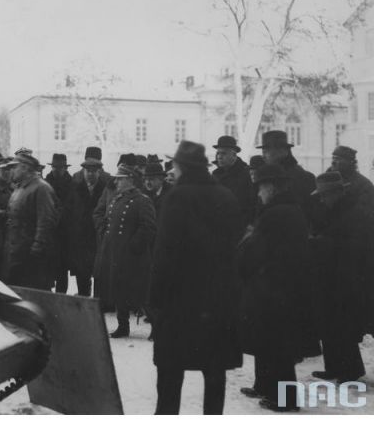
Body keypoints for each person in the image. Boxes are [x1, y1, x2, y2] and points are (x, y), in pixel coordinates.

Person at [150, 140, 243, 415]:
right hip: (218, 301)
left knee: (170, 371)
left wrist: (155, 300)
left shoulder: (176, 198)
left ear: (182, 167)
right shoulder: (226, 196)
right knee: (214, 371)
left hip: (179, 302)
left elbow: (164, 254)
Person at [236, 164, 313, 412]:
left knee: (277, 343)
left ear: (272, 187)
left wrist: (243, 254)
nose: (258, 192)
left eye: (261, 187)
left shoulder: (276, 213)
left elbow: (256, 249)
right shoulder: (285, 209)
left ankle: (285, 398)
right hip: (279, 285)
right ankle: (264, 386)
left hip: (275, 286)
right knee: (267, 339)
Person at [309, 171, 374, 383]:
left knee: (343, 325)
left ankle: (349, 370)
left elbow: (352, 248)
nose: (321, 199)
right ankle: (334, 367)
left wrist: (320, 243)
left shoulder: (353, 213)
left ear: (336, 193)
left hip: (348, 278)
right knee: (329, 322)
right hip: (333, 276)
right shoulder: (335, 210)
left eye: (324, 195)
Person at [94, 164, 156, 338]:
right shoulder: (117, 198)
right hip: (115, 253)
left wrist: (134, 246)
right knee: (118, 290)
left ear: (130, 180)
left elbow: (148, 227)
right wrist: (105, 237)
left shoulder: (142, 200)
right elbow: (107, 220)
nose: (116, 182)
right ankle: (123, 326)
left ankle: (157, 327)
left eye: (120, 179)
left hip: (133, 256)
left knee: (140, 293)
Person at [4, 153, 59, 290]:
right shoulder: (19, 188)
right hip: (17, 254)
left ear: (25, 168)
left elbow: (46, 221)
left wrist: (36, 250)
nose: (11, 171)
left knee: (36, 294)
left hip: (32, 258)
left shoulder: (41, 188)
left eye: (14, 167)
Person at [65, 156, 107, 296]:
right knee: (82, 274)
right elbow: (69, 212)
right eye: (87, 171)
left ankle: (98, 302)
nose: (90, 174)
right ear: (83, 172)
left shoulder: (105, 189)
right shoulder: (75, 188)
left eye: (93, 171)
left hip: (97, 238)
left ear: (99, 172)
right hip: (80, 240)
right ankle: (84, 298)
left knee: (99, 274)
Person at [258, 130, 316, 223]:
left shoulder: (287, 177)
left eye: (266, 152)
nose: (263, 156)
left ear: (283, 151)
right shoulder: (298, 173)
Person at [44, 154, 73, 293]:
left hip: (65, 233)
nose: (57, 170)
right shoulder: (45, 183)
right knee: (47, 267)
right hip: (49, 232)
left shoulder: (72, 184)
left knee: (62, 269)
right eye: (55, 167)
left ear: (65, 168)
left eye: (60, 167)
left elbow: (73, 207)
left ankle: (61, 296)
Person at [212, 136, 254, 226]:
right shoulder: (215, 175)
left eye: (223, 153)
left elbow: (251, 203)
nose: (219, 157)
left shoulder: (245, 174)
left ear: (234, 155)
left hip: (238, 223)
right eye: (218, 153)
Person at [329, 146, 374, 212]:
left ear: (350, 162)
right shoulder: (328, 179)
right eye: (333, 158)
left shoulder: (364, 185)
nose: (333, 162)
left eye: (338, 159)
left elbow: (364, 212)